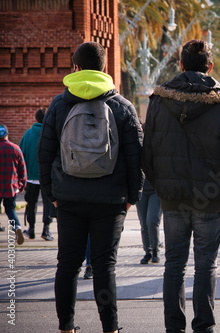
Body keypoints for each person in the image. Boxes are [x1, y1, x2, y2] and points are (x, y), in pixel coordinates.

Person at [142, 39, 220, 333]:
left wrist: (161, 186)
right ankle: (204, 326)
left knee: (173, 264)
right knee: (206, 264)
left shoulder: (159, 100)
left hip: (172, 198)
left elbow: (147, 152)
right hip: (210, 199)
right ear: (210, 67)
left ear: (180, 66)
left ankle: (173, 327)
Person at [38, 41, 144, 333]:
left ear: (76, 67)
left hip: (69, 198)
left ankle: (66, 328)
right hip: (110, 201)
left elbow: (45, 154)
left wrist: (51, 195)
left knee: (68, 265)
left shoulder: (60, 104)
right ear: (105, 67)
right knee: (104, 266)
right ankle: (110, 328)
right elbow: (136, 155)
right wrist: (131, 197)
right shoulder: (122, 106)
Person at [19, 108, 55, 241]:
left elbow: (21, 156)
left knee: (31, 203)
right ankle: (46, 230)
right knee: (48, 204)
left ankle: (31, 230)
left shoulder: (28, 134)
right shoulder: (52, 133)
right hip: (48, 176)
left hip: (31, 177)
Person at [0, 124, 27, 245]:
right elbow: (22, 169)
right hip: (10, 186)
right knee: (10, 209)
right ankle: (17, 228)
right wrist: (22, 185)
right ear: (7, 134)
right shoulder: (15, 148)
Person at [137, 176, 162, 264]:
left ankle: (155, 250)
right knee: (144, 223)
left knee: (152, 221)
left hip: (156, 190)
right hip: (140, 189)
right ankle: (148, 252)